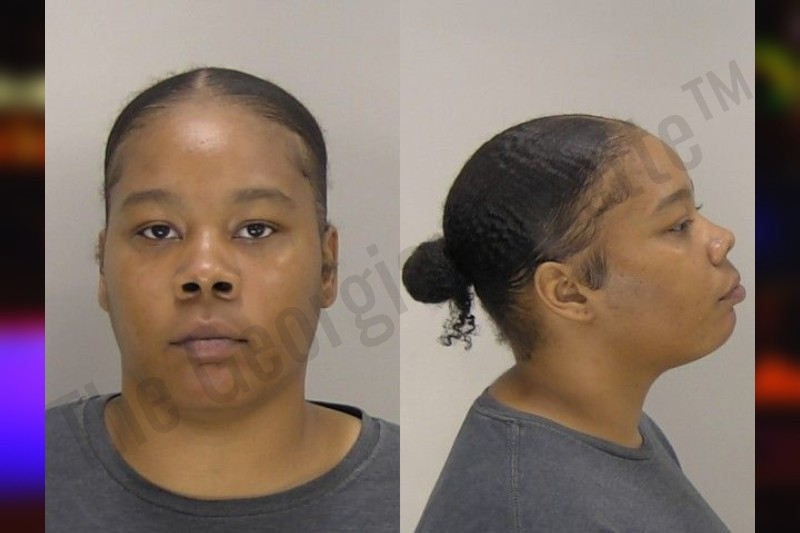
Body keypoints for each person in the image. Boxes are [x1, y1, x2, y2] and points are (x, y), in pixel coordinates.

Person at [46, 67, 399, 532]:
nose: (205, 273)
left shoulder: (415, 495)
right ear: (103, 269)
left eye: (256, 229)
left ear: (327, 267)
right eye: (158, 231)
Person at [402, 114, 742, 532]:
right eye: (678, 225)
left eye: (696, 212)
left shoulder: (603, 423)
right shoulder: (531, 510)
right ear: (568, 291)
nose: (722, 238)